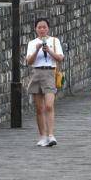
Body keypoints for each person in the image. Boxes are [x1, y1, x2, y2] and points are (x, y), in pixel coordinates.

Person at [25, 18, 64, 147]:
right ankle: (43, 135)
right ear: (35, 29)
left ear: (48, 28)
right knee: (39, 108)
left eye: (44, 27)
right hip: (36, 73)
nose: (42, 29)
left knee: (48, 105)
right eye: (39, 27)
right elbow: (29, 62)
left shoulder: (54, 41)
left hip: (49, 73)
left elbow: (60, 58)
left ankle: (51, 134)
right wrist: (37, 50)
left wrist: (49, 50)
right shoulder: (32, 43)